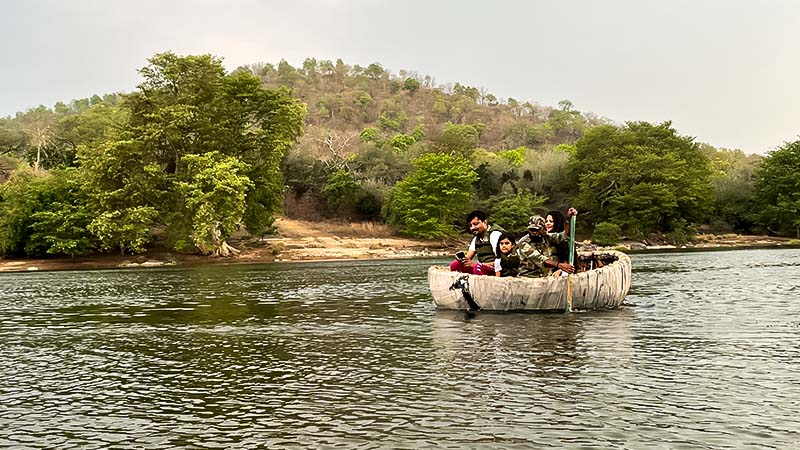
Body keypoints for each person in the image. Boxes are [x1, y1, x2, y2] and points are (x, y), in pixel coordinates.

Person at [518, 208, 577, 277]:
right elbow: (540, 259)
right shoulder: (523, 242)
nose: (534, 233)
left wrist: (568, 220)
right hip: (529, 277)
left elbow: (564, 236)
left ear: (542, 229)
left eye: (537, 230)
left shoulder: (546, 237)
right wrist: (559, 265)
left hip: (546, 276)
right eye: (532, 230)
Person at [450, 210, 505, 275]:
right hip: (483, 267)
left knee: (477, 267)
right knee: (455, 265)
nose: (473, 228)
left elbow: (503, 261)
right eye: (470, 225)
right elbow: (468, 258)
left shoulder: (495, 235)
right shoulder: (476, 239)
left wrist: (477, 264)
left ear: (485, 222)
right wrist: (462, 260)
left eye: (476, 224)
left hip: (498, 269)